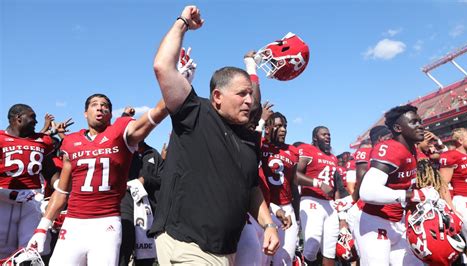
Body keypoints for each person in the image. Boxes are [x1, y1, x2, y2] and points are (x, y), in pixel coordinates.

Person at [149, 5, 279, 264]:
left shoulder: (250, 139)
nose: (249, 100)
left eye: (251, 94)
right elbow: (163, 66)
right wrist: (183, 22)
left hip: (225, 250)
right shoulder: (196, 113)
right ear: (217, 97)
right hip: (188, 246)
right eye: (242, 93)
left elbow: (251, 188)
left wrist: (268, 224)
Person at [27, 94, 168, 265]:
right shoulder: (71, 141)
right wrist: (42, 227)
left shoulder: (120, 133)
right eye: (94, 105)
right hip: (73, 224)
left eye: (105, 105)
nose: (100, 107)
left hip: (106, 224)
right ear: (85, 113)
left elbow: (155, 114)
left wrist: (174, 85)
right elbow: (62, 191)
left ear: (110, 115)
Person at [356, 104, 436, 266]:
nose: (420, 125)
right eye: (413, 122)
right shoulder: (391, 149)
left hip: (397, 222)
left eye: (419, 121)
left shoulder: (411, 149)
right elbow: (367, 191)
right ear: (398, 128)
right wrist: (414, 195)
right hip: (374, 221)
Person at [0, 104, 59, 258]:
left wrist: (59, 187)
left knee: (31, 251)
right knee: (3, 250)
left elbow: (49, 170)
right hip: (3, 200)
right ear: (18, 118)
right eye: (32, 117)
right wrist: (7, 194)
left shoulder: (43, 140)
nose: (36, 121)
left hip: (31, 200)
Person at [296, 126, 340, 266]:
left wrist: (339, 208)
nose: (328, 137)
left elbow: (336, 185)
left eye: (329, 134)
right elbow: (295, 175)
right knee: (311, 247)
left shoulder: (333, 157)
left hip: (329, 204)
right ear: (315, 137)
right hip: (311, 200)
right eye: (324, 134)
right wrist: (318, 183)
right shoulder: (308, 150)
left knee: (330, 249)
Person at [259, 111, 299, 265]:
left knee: (285, 259)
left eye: (285, 126)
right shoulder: (260, 145)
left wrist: (296, 214)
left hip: (286, 207)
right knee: (262, 258)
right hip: (265, 206)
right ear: (267, 128)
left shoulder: (292, 151)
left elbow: (294, 184)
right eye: (278, 126)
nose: (283, 130)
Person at [439, 127, 467, 265]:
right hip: (466, 202)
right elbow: (443, 185)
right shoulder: (451, 156)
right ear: (460, 140)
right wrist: (451, 208)